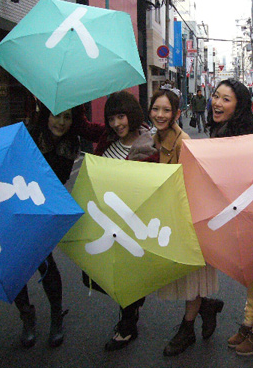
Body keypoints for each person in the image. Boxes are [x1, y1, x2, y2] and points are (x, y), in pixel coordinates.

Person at [148, 86, 224, 357]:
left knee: (192, 278)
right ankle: (206, 306)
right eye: (155, 109)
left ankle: (187, 329)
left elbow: (194, 187)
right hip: (168, 217)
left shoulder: (184, 143)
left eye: (166, 110)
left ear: (177, 113)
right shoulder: (153, 139)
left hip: (187, 220)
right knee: (184, 278)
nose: (160, 114)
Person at [207, 79, 253, 356]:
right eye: (216, 96)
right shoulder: (220, 130)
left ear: (239, 106)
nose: (217, 103)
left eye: (226, 99)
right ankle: (249, 323)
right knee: (251, 269)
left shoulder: (247, 136)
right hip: (237, 209)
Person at [91, 91, 159, 352]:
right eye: (111, 119)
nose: (116, 124)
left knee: (124, 275)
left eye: (121, 117)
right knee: (95, 275)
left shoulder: (146, 146)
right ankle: (133, 304)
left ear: (131, 115)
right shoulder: (107, 139)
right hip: (104, 219)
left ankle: (127, 325)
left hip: (131, 222)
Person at [16, 105, 89, 348]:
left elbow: (59, 179)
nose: (61, 122)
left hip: (43, 206)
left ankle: (56, 316)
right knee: (14, 265)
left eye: (67, 117)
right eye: (56, 115)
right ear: (46, 116)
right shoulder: (28, 135)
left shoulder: (70, 143)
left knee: (44, 261)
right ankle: (26, 315)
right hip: (16, 201)